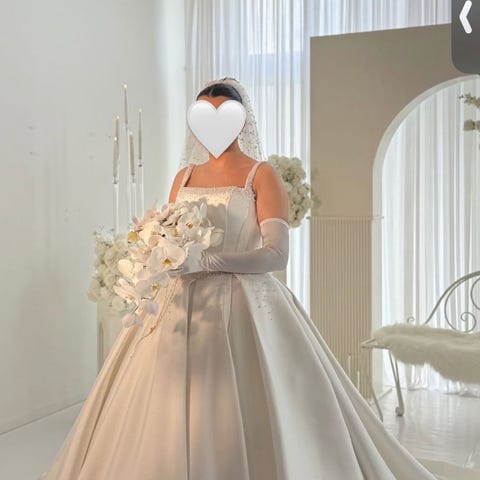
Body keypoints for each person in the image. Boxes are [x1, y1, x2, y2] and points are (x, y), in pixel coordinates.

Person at [40, 77, 471, 480]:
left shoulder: (260, 174)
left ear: (242, 120)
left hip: (243, 303)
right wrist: (158, 255)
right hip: (177, 303)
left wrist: (207, 261)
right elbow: (169, 234)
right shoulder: (183, 177)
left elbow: (276, 254)